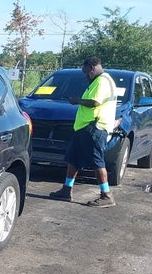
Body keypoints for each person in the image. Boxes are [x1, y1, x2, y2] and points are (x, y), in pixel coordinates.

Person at [49, 57, 118, 207]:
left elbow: (95, 102)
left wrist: (77, 101)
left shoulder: (102, 81)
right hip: (84, 128)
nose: (85, 75)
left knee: (97, 161)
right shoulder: (101, 80)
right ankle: (66, 189)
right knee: (73, 159)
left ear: (92, 67)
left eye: (86, 72)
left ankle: (106, 195)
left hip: (94, 128)